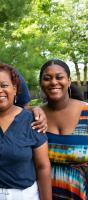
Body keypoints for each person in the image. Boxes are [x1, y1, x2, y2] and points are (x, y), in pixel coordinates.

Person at [0, 63, 52, 200]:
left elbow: (43, 166)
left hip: (25, 195)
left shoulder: (32, 120)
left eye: (4, 85)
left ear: (14, 89)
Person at [39, 59, 88, 199]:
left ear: (69, 81)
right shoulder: (34, 117)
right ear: (41, 84)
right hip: (43, 193)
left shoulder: (86, 112)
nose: (54, 82)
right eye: (47, 78)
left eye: (59, 77)